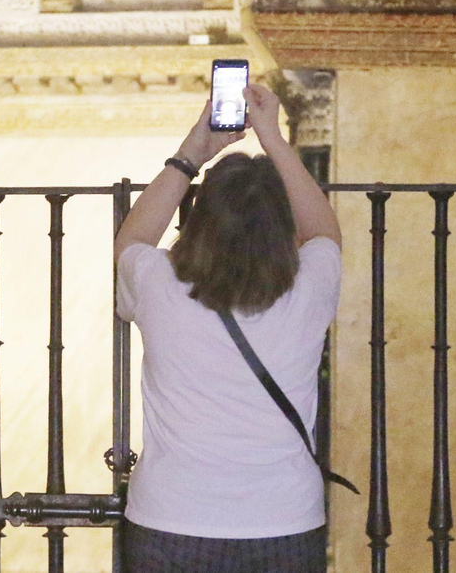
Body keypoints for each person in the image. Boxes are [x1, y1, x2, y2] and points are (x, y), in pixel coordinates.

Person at [114, 81, 343, 573]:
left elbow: (131, 239)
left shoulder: (159, 286)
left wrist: (191, 152)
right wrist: (273, 138)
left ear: (199, 221)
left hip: (170, 519)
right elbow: (324, 230)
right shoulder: (308, 289)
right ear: (283, 228)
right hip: (283, 520)